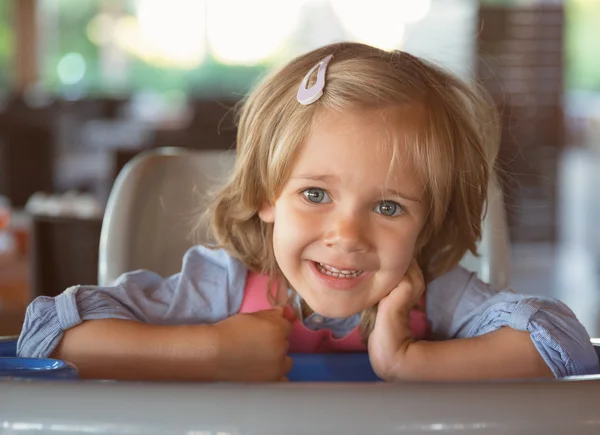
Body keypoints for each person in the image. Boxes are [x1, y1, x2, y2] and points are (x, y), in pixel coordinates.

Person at [17, 42, 599, 381]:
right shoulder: (218, 288)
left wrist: (407, 363)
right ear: (268, 193)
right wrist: (211, 352)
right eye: (316, 194)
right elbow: (47, 335)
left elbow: (564, 344)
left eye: (390, 206)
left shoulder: (434, 297)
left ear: (427, 220)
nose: (347, 234)